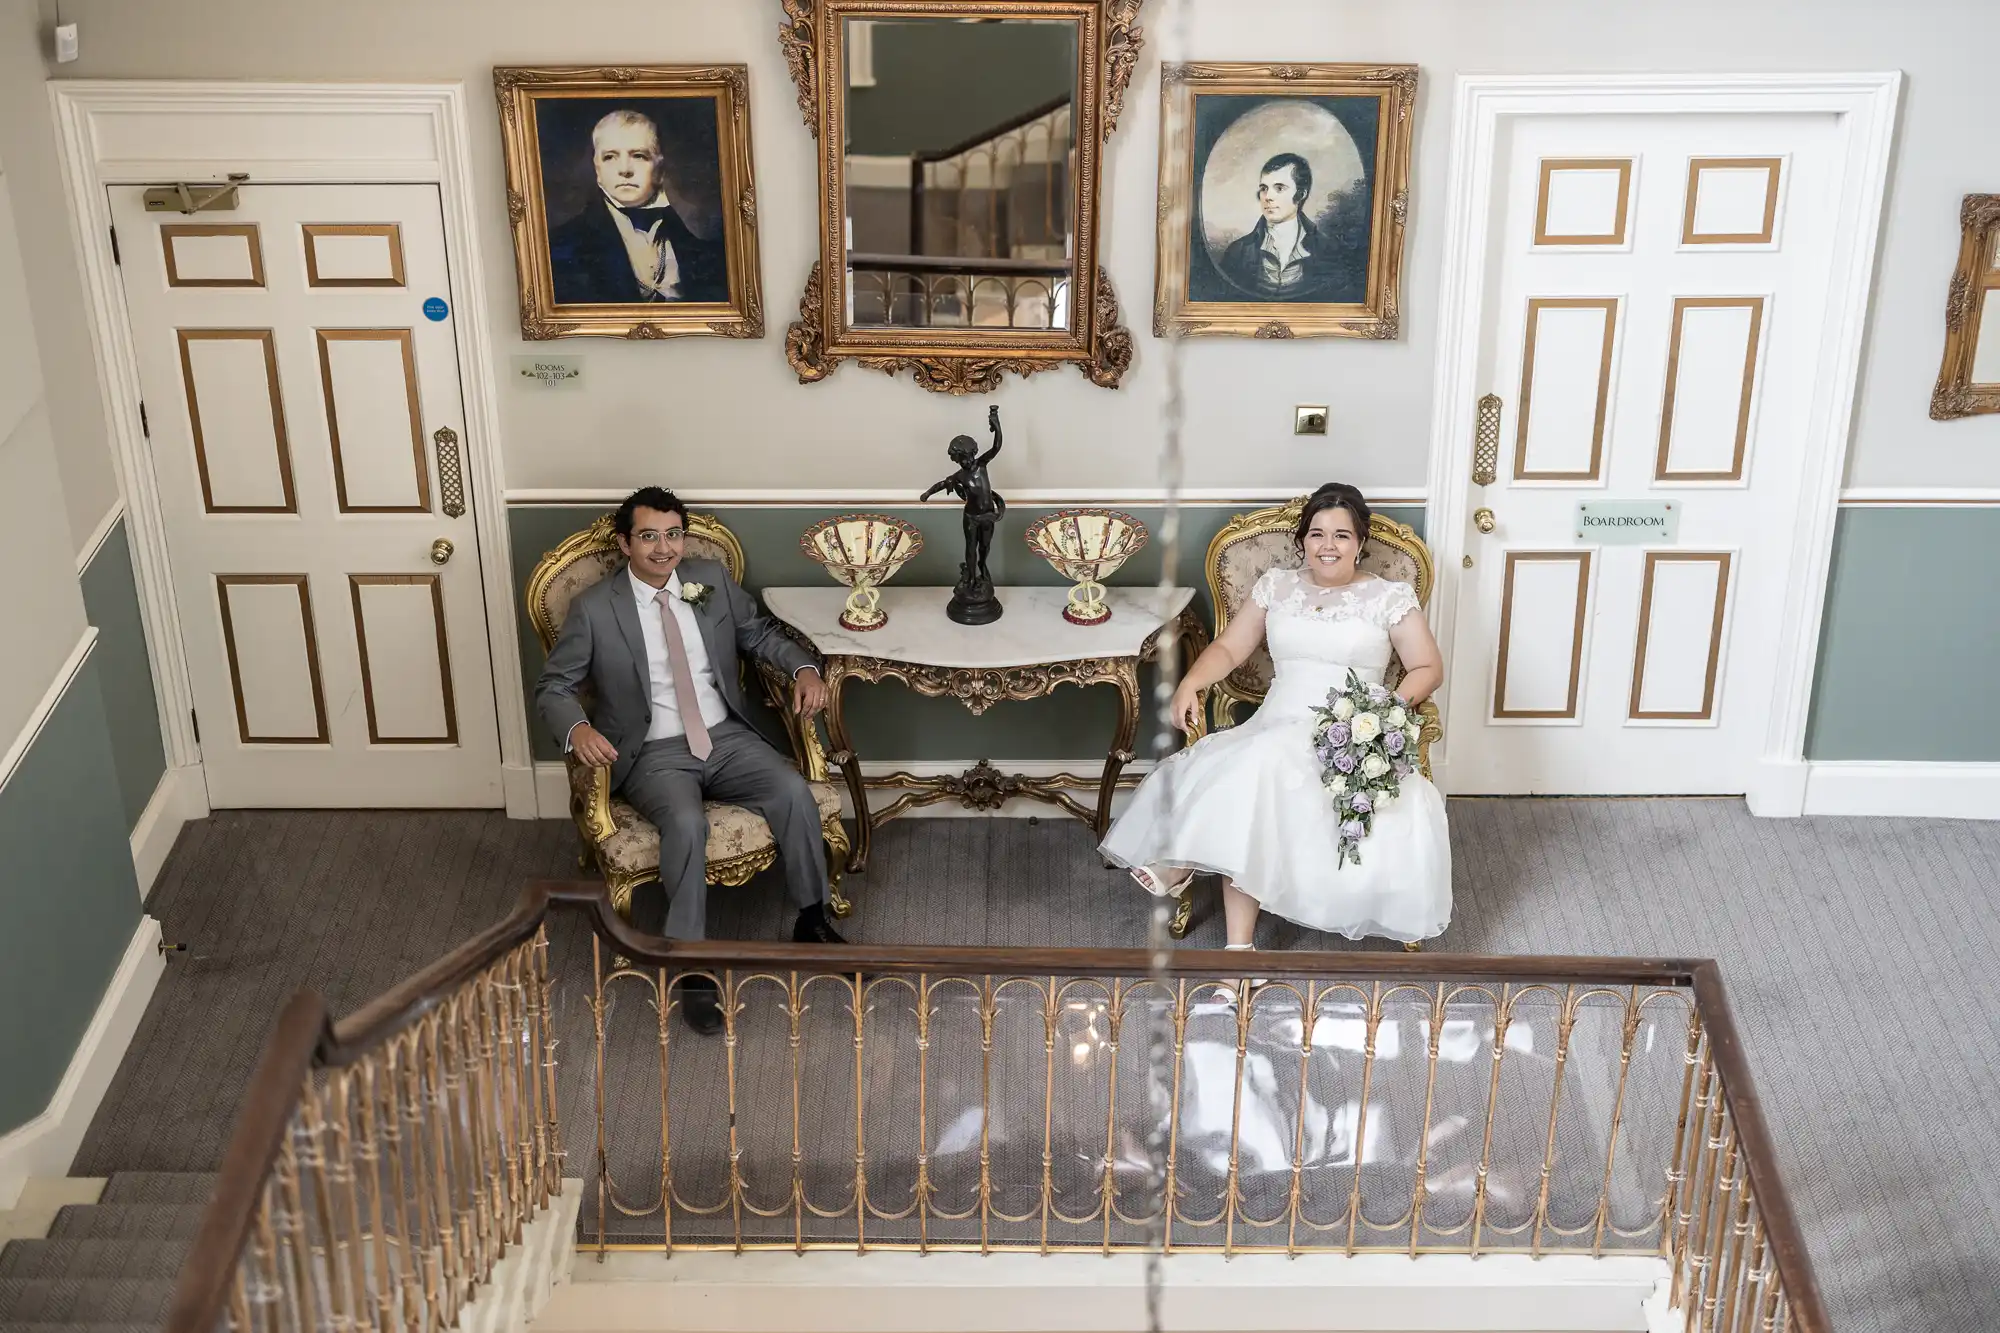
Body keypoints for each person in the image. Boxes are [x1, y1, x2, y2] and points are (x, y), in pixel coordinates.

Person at [535, 487, 844, 1034]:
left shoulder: (711, 582)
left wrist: (803, 669)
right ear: (625, 541)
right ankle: (692, 964)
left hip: (725, 737)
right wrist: (577, 727)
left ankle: (812, 917)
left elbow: (759, 634)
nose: (663, 548)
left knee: (792, 791)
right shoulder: (593, 609)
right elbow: (554, 687)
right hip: (653, 750)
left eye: (672, 534)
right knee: (683, 822)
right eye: (649, 536)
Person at [1100, 483, 1451, 958]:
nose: (1328, 546)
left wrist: (1382, 713)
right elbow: (1228, 647)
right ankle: (1238, 954)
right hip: (1276, 721)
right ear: (1302, 540)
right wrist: (1191, 683)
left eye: (1342, 535)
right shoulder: (1276, 587)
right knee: (1255, 763)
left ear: (1361, 541)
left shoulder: (1388, 597)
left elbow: (1428, 668)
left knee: (1257, 766)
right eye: (1317, 534)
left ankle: (1181, 865)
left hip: (1347, 731)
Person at [547, 109, 728, 305]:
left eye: (639, 156)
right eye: (610, 157)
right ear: (597, 170)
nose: (625, 170)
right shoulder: (561, 247)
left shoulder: (702, 251)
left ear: (660, 170)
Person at [1216, 152, 1344, 302]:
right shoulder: (1238, 252)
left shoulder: (1327, 249)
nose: (1268, 197)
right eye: (1264, 188)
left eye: (1279, 188)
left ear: (1301, 194)